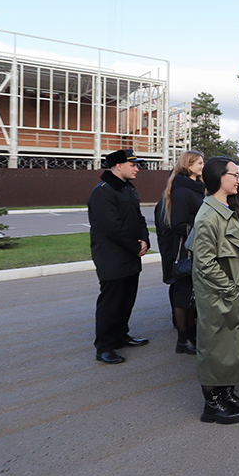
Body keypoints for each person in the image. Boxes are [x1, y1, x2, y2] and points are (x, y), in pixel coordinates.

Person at [192, 156, 239, 424]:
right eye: (234, 174)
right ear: (219, 177)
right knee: (216, 347)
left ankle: (227, 394)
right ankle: (212, 404)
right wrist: (231, 291)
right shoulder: (209, 215)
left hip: (235, 292)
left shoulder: (227, 208)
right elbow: (205, 264)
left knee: (232, 346)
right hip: (220, 296)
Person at [88, 149, 151, 365]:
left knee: (126, 299)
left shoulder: (127, 188)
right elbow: (112, 227)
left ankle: (121, 336)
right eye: (133, 165)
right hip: (112, 256)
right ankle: (104, 346)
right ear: (118, 166)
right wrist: (135, 246)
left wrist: (145, 240)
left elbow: (139, 218)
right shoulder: (102, 192)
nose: (137, 169)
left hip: (130, 255)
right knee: (111, 302)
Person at [154, 150, 205, 356]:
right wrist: (201, 233)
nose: (203, 166)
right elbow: (179, 224)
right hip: (186, 252)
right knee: (184, 294)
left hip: (191, 249)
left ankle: (190, 335)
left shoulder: (193, 188)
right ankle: (183, 340)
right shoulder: (183, 191)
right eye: (199, 163)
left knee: (190, 294)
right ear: (188, 165)